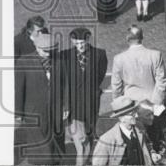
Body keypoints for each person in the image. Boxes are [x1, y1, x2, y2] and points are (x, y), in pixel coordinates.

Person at [110, 26, 166, 153]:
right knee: (161, 137)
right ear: (142, 37)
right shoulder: (155, 55)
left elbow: (116, 87)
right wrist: (156, 103)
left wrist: (119, 108)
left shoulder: (119, 59)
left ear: (127, 39)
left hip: (131, 106)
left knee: (138, 141)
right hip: (153, 103)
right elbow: (161, 82)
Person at [15, 32, 66, 166]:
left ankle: (54, 162)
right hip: (34, 111)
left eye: (51, 51)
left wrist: (65, 105)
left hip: (55, 109)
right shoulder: (23, 62)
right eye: (45, 51)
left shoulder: (60, 60)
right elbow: (19, 90)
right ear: (36, 47)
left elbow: (64, 85)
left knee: (55, 139)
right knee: (38, 144)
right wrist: (18, 114)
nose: (48, 54)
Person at [59, 27, 108, 166]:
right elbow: (62, 83)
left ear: (88, 40)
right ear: (72, 41)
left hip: (91, 103)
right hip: (73, 107)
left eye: (82, 43)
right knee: (82, 143)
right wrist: (65, 105)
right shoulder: (64, 56)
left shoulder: (99, 55)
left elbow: (99, 76)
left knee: (89, 138)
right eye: (77, 43)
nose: (80, 46)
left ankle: (85, 163)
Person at [90, 96, 155, 166]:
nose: (136, 116)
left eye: (135, 112)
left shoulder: (140, 130)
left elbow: (148, 147)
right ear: (122, 119)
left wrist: (153, 154)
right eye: (132, 114)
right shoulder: (107, 140)